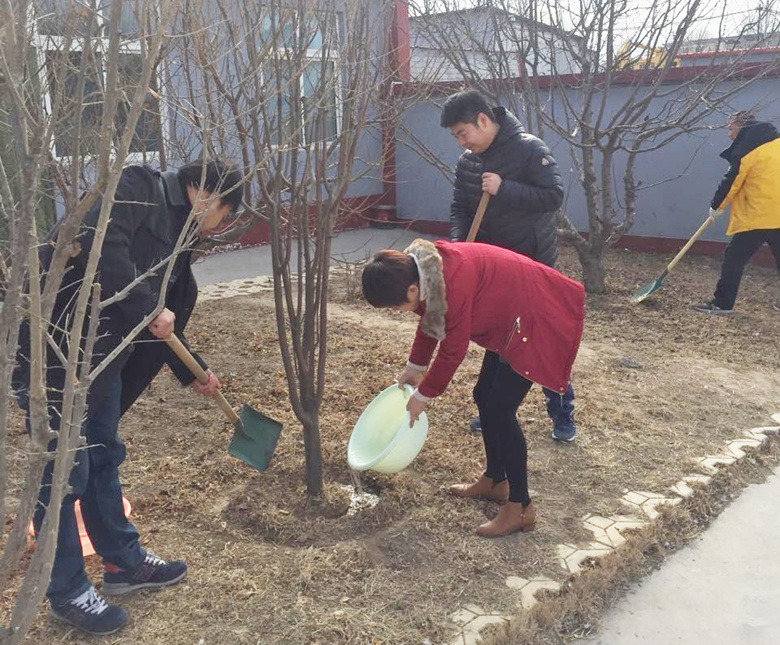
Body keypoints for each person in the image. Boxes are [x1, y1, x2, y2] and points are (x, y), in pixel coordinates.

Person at [12, 160, 243, 635]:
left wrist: (192, 370)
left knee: (103, 458)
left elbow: (163, 321)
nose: (218, 226)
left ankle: (123, 562)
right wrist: (147, 304)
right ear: (210, 196)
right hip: (59, 354)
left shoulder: (178, 236)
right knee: (61, 474)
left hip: (104, 361)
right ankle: (66, 590)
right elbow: (99, 243)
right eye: (224, 215)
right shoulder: (138, 186)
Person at [362, 239, 585, 537]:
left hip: (532, 318)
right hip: (508, 315)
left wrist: (423, 396)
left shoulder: (452, 283)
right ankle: (495, 480)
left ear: (413, 290)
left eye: (394, 305)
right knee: (484, 396)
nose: (396, 311)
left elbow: (452, 350)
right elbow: (431, 320)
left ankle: (521, 507)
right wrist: (414, 367)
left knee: (501, 411)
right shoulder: (426, 270)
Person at [441, 89, 578, 442]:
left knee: (542, 341)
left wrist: (506, 188)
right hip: (492, 270)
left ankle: (562, 412)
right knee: (499, 336)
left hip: (532, 264)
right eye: (456, 137)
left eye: (462, 133)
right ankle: (495, 409)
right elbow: (460, 208)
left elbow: (553, 197)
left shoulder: (529, 149)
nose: (462, 143)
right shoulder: (468, 162)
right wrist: (459, 246)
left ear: (482, 120)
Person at [693, 110, 780, 314]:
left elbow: (731, 183)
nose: (729, 134)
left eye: (731, 129)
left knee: (734, 259)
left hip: (758, 217)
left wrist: (716, 207)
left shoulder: (749, 151)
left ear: (742, 126)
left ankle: (722, 303)